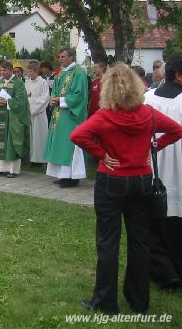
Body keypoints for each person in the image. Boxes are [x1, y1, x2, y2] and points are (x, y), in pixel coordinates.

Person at [71, 63, 182, 314]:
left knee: (108, 242)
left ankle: (105, 302)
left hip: (112, 182)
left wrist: (102, 154)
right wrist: (151, 150)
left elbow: (77, 135)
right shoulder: (148, 114)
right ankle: (140, 300)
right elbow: (176, 130)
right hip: (142, 182)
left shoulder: (104, 116)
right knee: (140, 241)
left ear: (108, 89)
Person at [144, 51, 182, 288]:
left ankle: (166, 272)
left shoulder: (147, 99)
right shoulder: (149, 98)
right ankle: (171, 272)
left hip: (152, 167)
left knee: (156, 223)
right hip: (170, 166)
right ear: (178, 75)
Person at [44, 48, 88, 187]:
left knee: (68, 145)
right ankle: (62, 175)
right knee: (59, 144)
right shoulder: (62, 73)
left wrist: (61, 100)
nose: (60, 59)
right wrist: (53, 98)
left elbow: (79, 96)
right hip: (59, 114)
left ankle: (72, 177)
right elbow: (56, 91)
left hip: (70, 115)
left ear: (71, 57)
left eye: (63, 57)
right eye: (59, 57)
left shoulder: (78, 74)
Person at [0, 61, 30, 178]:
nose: (2, 72)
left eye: (4, 70)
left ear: (11, 70)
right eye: (0, 70)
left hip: (12, 118)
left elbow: (22, 101)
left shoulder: (18, 83)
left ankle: (11, 169)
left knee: (11, 142)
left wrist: (8, 102)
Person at [25, 61, 50, 165]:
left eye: (30, 71)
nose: (29, 74)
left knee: (39, 136)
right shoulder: (26, 82)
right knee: (30, 137)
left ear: (36, 71)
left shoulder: (43, 82)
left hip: (38, 114)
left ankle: (40, 159)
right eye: (28, 72)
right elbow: (24, 97)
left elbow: (45, 98)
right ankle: (30, 158)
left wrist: (32, 107)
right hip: (28, 113)